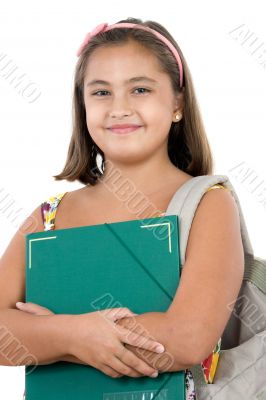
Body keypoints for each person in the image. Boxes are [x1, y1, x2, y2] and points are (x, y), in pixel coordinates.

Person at [0, 17, 244, 400]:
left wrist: (53, 338)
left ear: (178, 103)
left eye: (140, 89)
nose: (119, 108)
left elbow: (189, 337)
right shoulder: (48, 217)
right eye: (101, 93)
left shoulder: (208, 204)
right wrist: (73, 335)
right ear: (82, 105)